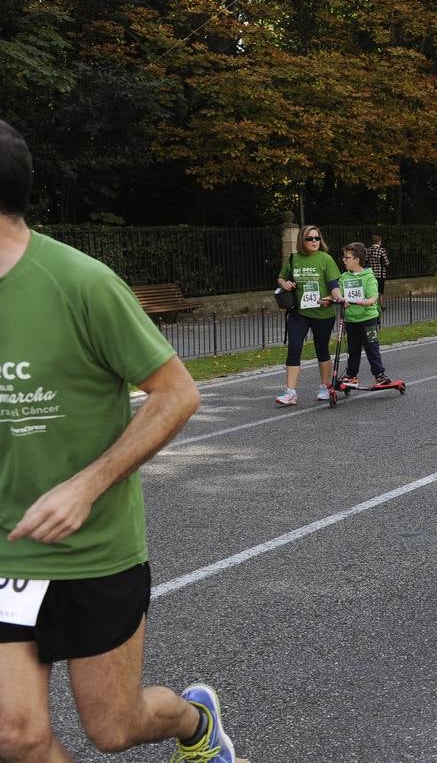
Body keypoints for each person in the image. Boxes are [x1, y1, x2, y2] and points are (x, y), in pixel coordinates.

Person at [0, 119, 236, 761]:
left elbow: (177, 392)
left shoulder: (80, 283)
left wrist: (86, 484)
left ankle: (195, 723)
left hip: (93, 548)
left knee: (114, 727)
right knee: (14, 735)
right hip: (6, 551)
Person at [275, 224, 343, 405]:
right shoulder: (293, 258)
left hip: (322, 312)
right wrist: (285, 284)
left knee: (321, 349)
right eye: (310, 238)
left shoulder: (325, 259)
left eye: (317, 238)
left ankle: (325, 386)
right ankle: (290, 392)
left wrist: (335, 297)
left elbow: (334, 284)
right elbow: (281, 277)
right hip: (299, 312)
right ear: (301, 241)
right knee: (294, 348)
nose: (314, 241)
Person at [337, 243, 391, 388]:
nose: (343, 259)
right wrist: (339, 299)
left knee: (371, 347)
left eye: (347, 257)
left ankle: (379, 375)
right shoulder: (344, 277)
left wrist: (368, 301)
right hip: (351, 319)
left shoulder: (369, 277)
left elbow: (373, 295)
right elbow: (339, 294)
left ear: (357, 259)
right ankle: (351, 375)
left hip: (368, 318)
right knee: (353, 349)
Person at [367, 233, 391, 299]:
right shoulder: (381, 250)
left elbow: (366, 261)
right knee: (380, 291)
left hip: (370, 273)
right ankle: (381, 305)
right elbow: (386, 262)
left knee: (372, 289)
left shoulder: (368, 250)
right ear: (379, 241)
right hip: (380, 274)